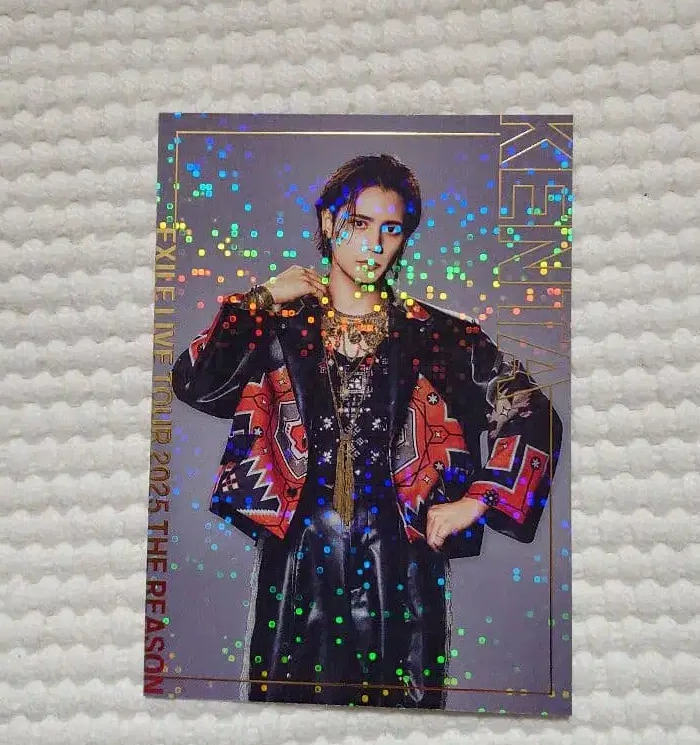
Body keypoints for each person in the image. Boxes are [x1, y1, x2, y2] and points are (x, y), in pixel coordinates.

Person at [171, 154, 563, 709]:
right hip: (298, 556)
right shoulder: (277, 329)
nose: (374, 244)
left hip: (402, 563)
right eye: (359, 223)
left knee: (399, 713)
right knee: (289, 712)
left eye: (391, 228)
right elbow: (194, 383)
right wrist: (259, 300)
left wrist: (479, 500)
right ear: (328, 223)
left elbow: (533, 411)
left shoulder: (439, 336)